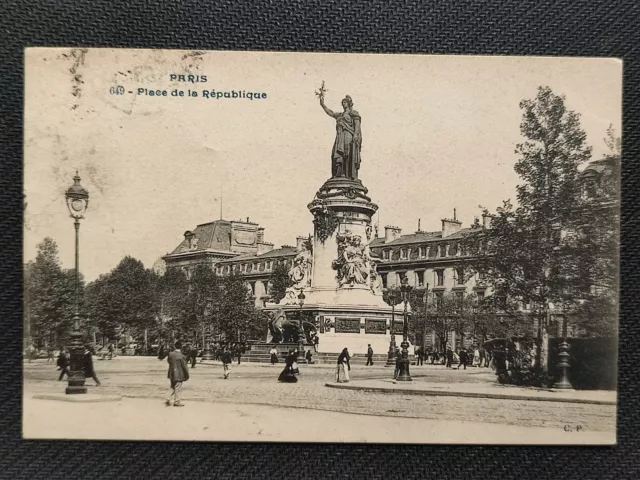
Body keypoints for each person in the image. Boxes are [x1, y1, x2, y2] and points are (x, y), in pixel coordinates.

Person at [165, 340, 189, 407]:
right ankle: (177, 401)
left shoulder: (170, 354)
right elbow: (184, 367)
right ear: (181, 347)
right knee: (178, 388)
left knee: (172, 386)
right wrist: (187, 375)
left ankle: (168, 398)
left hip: (172, 373)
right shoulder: (182, 356)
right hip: (179, 374)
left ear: (175, 346)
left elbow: (169, 362)